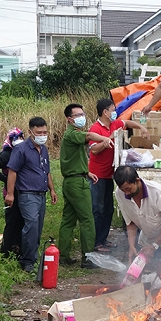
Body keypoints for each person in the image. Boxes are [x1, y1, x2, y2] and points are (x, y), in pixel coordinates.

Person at [88, 98, 150, 253]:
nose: (115, 112)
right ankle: (95, 242)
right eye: (112, 109)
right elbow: (94, 150)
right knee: (97, 208)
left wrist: (141, 127)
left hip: (110, 175)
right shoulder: (95, 129)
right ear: (105, 112)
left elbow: (127, 124)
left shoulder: (115, 124)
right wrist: (107, 140)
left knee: (108, 208)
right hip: (97, 175)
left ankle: (103, 239)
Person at [59, 103, 114, 268]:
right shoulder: (72, 134)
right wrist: (104, 138)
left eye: (82, 114)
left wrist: (87, 172)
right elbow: (89, 136)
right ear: (69, 120)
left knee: (68, 220)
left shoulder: (73, 135)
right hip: (76, 184)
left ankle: (63, 255)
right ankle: (88, 257)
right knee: (87, 219)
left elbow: (74, 159)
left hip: (73, 179)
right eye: (77, 115)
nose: (81, 117)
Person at [4, 117, 58, 273]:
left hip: (41, 194)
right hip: (27, 194)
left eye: (45, 132)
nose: (42, 135)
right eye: (39, 132)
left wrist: (52, 190)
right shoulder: (21, 150)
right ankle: (27, 260)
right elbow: (12, 172)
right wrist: (11, 193)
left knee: (38, 226)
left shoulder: (44, 150)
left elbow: (46, 171)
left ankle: (33, 255)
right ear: (30, 132)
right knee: (32, 225)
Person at [113, 166, 161, 290]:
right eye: (123, 190)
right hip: (147, 233)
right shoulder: (120, 193)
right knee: (135, 270)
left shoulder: (157, 192)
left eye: (128, 189)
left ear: (137, 180)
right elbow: (131, 223)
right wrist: (132, 246)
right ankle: (138, 301)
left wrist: (154, 246)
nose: (126, 193)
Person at [0, 128, 26, 258]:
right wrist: (7, 180)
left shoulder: (21, 152)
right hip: (10, 193)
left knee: (21, 221)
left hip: (22, 191)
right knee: (11, 222)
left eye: (21, 137)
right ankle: (6, 253)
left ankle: (18, 249)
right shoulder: (6, 154)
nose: (19, 140)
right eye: (16, 138)